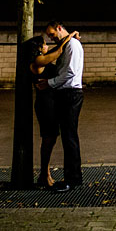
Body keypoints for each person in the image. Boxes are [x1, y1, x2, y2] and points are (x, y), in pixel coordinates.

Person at [36, 20, 85, 192]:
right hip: (68, 93)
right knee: (68, 136)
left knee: (69, 136)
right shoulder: (67, 44)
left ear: (59, 28)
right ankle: (73, 177)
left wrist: (50, 83)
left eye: (52, 34)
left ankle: (72, 179)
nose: (51, 38)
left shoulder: (71, 45)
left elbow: (69, 72)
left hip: (70, 93)